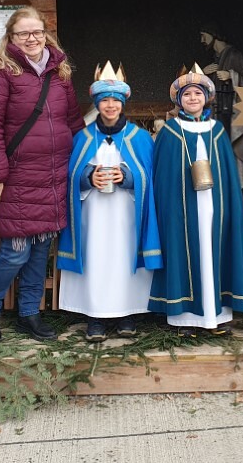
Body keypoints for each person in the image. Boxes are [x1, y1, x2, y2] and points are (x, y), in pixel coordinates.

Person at [0, 6, 85, 345]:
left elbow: (74, 122)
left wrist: (87, 160)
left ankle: (29, 313)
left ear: (45, 34)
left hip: (54, 175)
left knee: (40, 251)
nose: (32, 39)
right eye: (23, 33)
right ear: (11, 37)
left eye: (37, 32)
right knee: (15, 252)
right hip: (18, 177)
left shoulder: (60, 73)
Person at [57, 63, 162, 341]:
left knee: (124, 259)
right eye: (105, 100)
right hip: (93, 216)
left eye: (115, 100)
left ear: (123, 103)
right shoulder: (82, 138)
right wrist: (87, 177)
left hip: (127, 215)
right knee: (96, 260)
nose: (111, 105)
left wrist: (128, 177)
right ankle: (95, 317)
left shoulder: (141, 138)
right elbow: (69, 175)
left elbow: (151, 177)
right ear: (97, 103)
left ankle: (127, 314)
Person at [149, 65, 243, 336]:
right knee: (184, 253)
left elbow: (228, 176)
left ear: (206, 97)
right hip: (181, 210)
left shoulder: (217, 131)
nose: (193, 98)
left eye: (197, 93)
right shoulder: (170, 132)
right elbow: (162, 177)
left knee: (214, 253)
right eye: (187, 94)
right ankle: (184, 320)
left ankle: (217, 316)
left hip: (214, 208)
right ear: (178, 99)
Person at [199, 24, 243, 186]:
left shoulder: (234, 54)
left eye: (204, 35)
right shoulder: (216, 57)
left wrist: (231, 75)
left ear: (214, 34)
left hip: (230, 116)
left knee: (232, 152)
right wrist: (202, 74)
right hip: (216, 114)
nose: (202, 40)